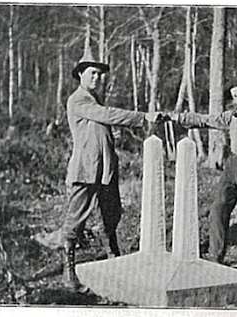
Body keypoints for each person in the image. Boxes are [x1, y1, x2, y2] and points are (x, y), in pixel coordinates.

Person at [62, 48, 161, 292]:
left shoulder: (95, 100)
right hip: (85, 170)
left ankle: (113, 258)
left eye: (99, 74)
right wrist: (142, 117)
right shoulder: (79, 100)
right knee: (75, 221)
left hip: (106, 170)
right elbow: (107, 115)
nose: (96, 78)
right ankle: (68, 271)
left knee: (112, 214)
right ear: (81, 75)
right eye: (92, 73)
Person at [168, 78, 237, 274]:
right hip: (233, 166)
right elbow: (205, 119)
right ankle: (215, 257)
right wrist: (175, 118)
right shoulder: (233, 116)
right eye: (235, 95)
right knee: (218, 208)